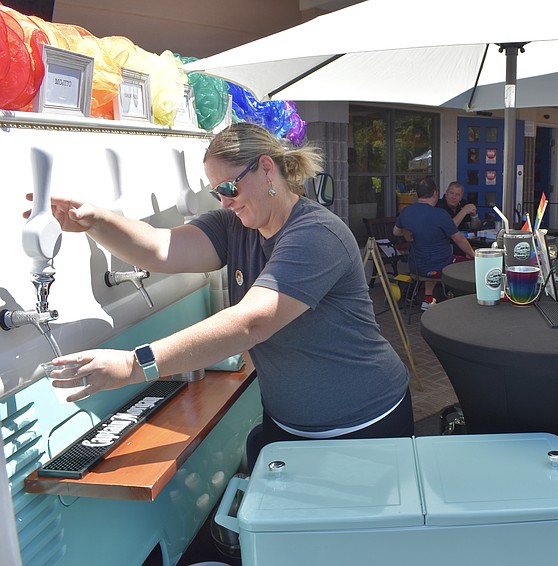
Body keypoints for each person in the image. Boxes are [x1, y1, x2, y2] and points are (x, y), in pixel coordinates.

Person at [39, 122, 414, 469]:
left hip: (366, 422)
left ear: (267, 169)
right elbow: (158, 248)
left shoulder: (316, 235)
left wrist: (132, 366)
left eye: (229, 187)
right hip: (290, 426)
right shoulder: (234, 227)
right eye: (216, 191)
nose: (224, 201)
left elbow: (251, 322)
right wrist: (96, 221)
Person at [394, 177, 475, 310]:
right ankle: (460, 303)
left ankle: (428, 299)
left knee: (434, 257)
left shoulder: (407, 211)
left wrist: (408, 234)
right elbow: (459, 239)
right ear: (435, 193)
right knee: (469, 264)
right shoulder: (440, 214)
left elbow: (396, 232)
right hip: (439, 266)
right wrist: (472, 254)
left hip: (416, 267)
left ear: (417, 194)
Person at [436, 181, 481, 259]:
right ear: (446, 194)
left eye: (457, 195)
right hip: (445, 244)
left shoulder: (463, 203)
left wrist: (474, 216)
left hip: (463, 241)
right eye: (451, 193)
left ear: (461, 197)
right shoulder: (439, 206)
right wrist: (464, 211)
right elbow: (450, 228)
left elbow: (474, 227)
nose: (454, 197)